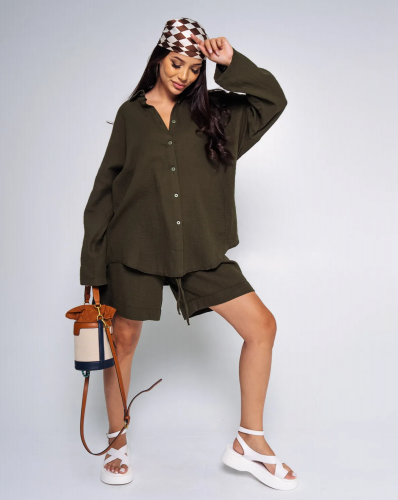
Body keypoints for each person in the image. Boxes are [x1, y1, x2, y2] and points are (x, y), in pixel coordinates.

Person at [80, 17, 297, 490]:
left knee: (262, 327)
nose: (184, 75)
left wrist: (230, 63)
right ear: (160, 59)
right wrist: (93, 269)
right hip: (134, 247)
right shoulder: (131, 115)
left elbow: (273, 99)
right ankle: (117, 440)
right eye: (177, 63)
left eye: (194, 68)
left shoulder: (218, 113)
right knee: (122, 342)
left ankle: (249, 441)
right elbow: (105, 191)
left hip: (200, 249)